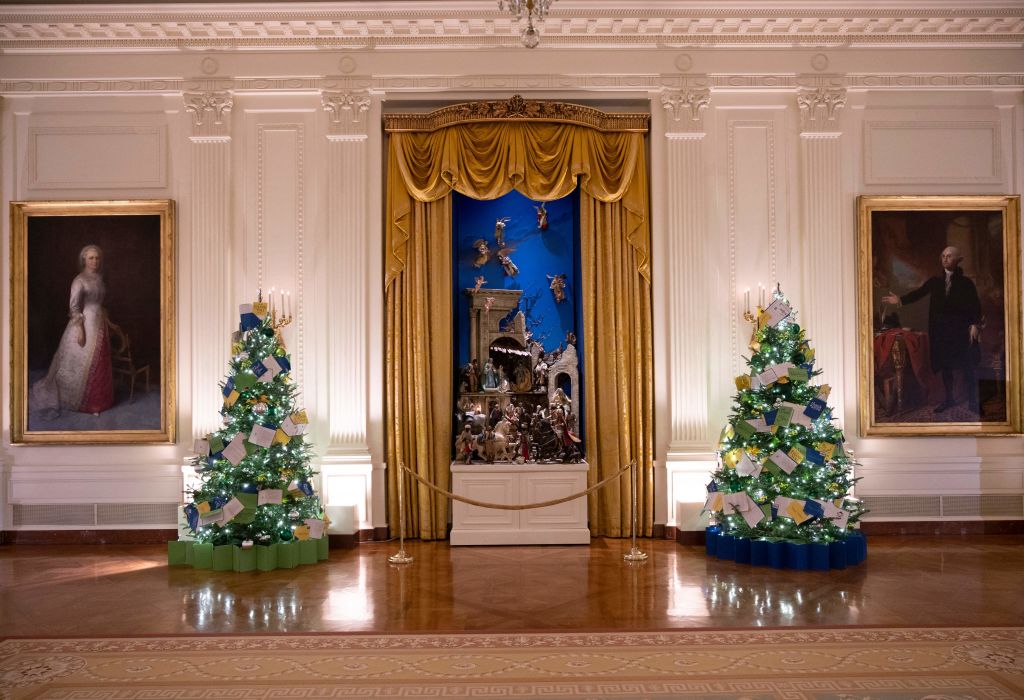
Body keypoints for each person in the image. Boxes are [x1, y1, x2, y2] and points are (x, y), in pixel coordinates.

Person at [882, 245, 981, 413]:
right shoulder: (935, 282)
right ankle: (949, 399)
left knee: (967, 366)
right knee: (945, 366)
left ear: (958, 260)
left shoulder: (966, 283)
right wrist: (899, 300)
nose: (945, 258)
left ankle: (973, 401)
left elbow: (975, 305)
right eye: (943, 255)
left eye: (949, 256)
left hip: (960, 332)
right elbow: (918, 293)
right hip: (941, 333)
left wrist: (974, 324)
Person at [30, 244, 114, 418]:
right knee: (82, 363)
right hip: (85, 325)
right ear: (84, 260)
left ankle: (100, 401)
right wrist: (81, 330)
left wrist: (105, 317)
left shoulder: (99, 278)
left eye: (97, 258)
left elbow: (99, 303)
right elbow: (74, 308)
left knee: (99, 362)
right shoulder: (79, 280)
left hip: (99, 324)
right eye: (91, 258)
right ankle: (85, 403)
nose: (95, 261)